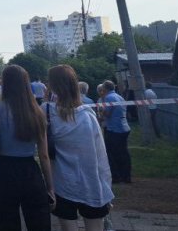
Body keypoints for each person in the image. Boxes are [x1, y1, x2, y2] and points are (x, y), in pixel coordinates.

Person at [0, 65, 54, 231]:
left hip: (5, 170)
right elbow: (44, 155)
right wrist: (50, 187)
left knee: (7, 222)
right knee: (39, 223)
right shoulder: (37, 112)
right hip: (30, 171)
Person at [46, 65, 114, 231]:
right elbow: (100, 155)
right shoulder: (88, 115)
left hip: (62, 183)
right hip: (92, 183)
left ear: (53, 86)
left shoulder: (46, 112)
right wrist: (107, 186)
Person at [97, 80, 131, 184]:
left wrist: (101, 110)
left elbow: (107, 114)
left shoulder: (108, 98)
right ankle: (126, 176)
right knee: (123, 152)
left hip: (114, 129)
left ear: (105, 88)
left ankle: (116, 177)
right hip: (124, 127)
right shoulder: (119, 96)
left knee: (112, 153)